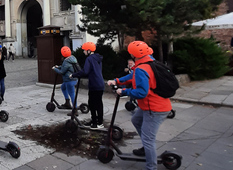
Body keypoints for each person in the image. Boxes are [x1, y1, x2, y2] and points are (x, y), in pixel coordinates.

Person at [107, 41, 172, 170]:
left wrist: (124, 91)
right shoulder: (147, 62)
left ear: (134, 54)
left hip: (154, 108)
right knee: (136, 120)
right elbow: (133, 75)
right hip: (152, 105)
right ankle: (145, 149)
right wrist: (118, 80)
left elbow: (142, 92)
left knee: (149, 139)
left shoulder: (142, 68)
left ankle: (151, 167)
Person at [71, 42, 105, 128]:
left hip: (94, 84)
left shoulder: (89, 59)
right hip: (99, 83)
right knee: (95, 103)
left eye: (84, 50)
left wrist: (74, 75)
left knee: (94, 104)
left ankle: (98, 123)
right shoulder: (97, 58)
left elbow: (85, 71)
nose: (83, 52)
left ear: (89, 50)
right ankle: (95, 121)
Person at [53, 46, 78, 115]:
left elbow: (62, 72)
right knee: (63, 87)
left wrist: (55, 69)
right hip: (74, 79)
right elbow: (66, 67)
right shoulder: (72, 58)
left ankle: (75, 109)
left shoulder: (66, 61)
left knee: (72, 94)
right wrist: (59, 67)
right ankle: (67, 102)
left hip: (69, 80)